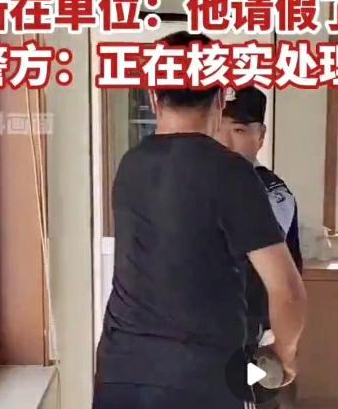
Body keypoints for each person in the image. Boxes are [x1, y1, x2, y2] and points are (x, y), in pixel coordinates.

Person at [93, 32, 306, 409]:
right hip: (202, 379)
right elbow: (287, 291)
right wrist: (284, 356)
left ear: (153, 97)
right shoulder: (233, 173)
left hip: (120, 373)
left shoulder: (131, 165)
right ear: (222, 97)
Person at [218, 87, 303, 408]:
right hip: (206, 338)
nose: (226, 142)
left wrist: (285, 350)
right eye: (218, 129)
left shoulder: (271, 193)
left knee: (248, 397)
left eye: (239, 131)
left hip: (253, 338)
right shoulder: (205, 184)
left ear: (261, 136)